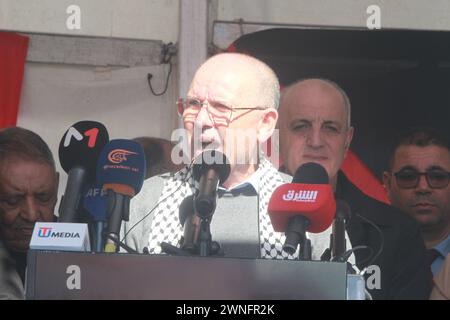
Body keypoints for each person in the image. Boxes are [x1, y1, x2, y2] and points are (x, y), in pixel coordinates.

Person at [122, 53, 340, 262]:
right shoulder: (147, 199)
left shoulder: (305, 204)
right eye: (193, 105)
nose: (201, 121)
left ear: (265, 124)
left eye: (221, 107)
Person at [277, 78, 431, 299]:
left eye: (331, 128)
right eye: (301, 126)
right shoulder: (243, 218)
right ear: (278, 133)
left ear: (347, 140)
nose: (316, 140)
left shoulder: (396, 232)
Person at [0, 127, 59, 299]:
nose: (32, 215)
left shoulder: (87, 250)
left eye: (43, 197)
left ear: (56, 187)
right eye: (12, 201)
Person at [382, 128, 450, 276]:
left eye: (438, 177)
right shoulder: (366, 253)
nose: (423, 188)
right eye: (408, 177)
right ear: (387, 184)